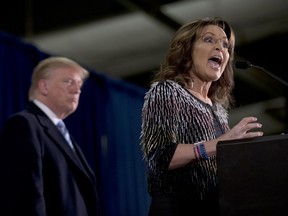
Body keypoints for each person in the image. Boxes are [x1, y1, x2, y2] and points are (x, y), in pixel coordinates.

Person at [140, 17, 264, 216]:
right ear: (187, 50)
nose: (220, 48)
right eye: (209, 40)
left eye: (225, 45)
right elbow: (159, 158)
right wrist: (220, 143)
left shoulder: (218, 110)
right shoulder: (167, 91)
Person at [0, 56, 101, 216]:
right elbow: (24, 198)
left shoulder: (63, 133)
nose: (77, 90)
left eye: (79, 85)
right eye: (68, 81)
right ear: (44, 86)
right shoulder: (24, 125)